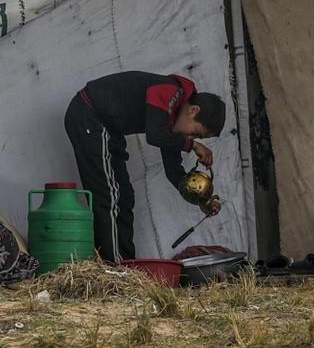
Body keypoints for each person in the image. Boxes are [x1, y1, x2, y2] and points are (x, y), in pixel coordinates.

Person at [64, 71, 226, 262]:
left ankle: (124, 263)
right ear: (193, 111)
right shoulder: (169, 92)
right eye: (196, 133)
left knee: (124, 196)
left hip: (108, 130)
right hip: (90, 116)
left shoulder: (173, 121)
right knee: (110, 197)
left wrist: (203, 201)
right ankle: (113, 267)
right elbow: (155, 135)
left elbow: (174, 171)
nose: (191, 138)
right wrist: (192, 145)